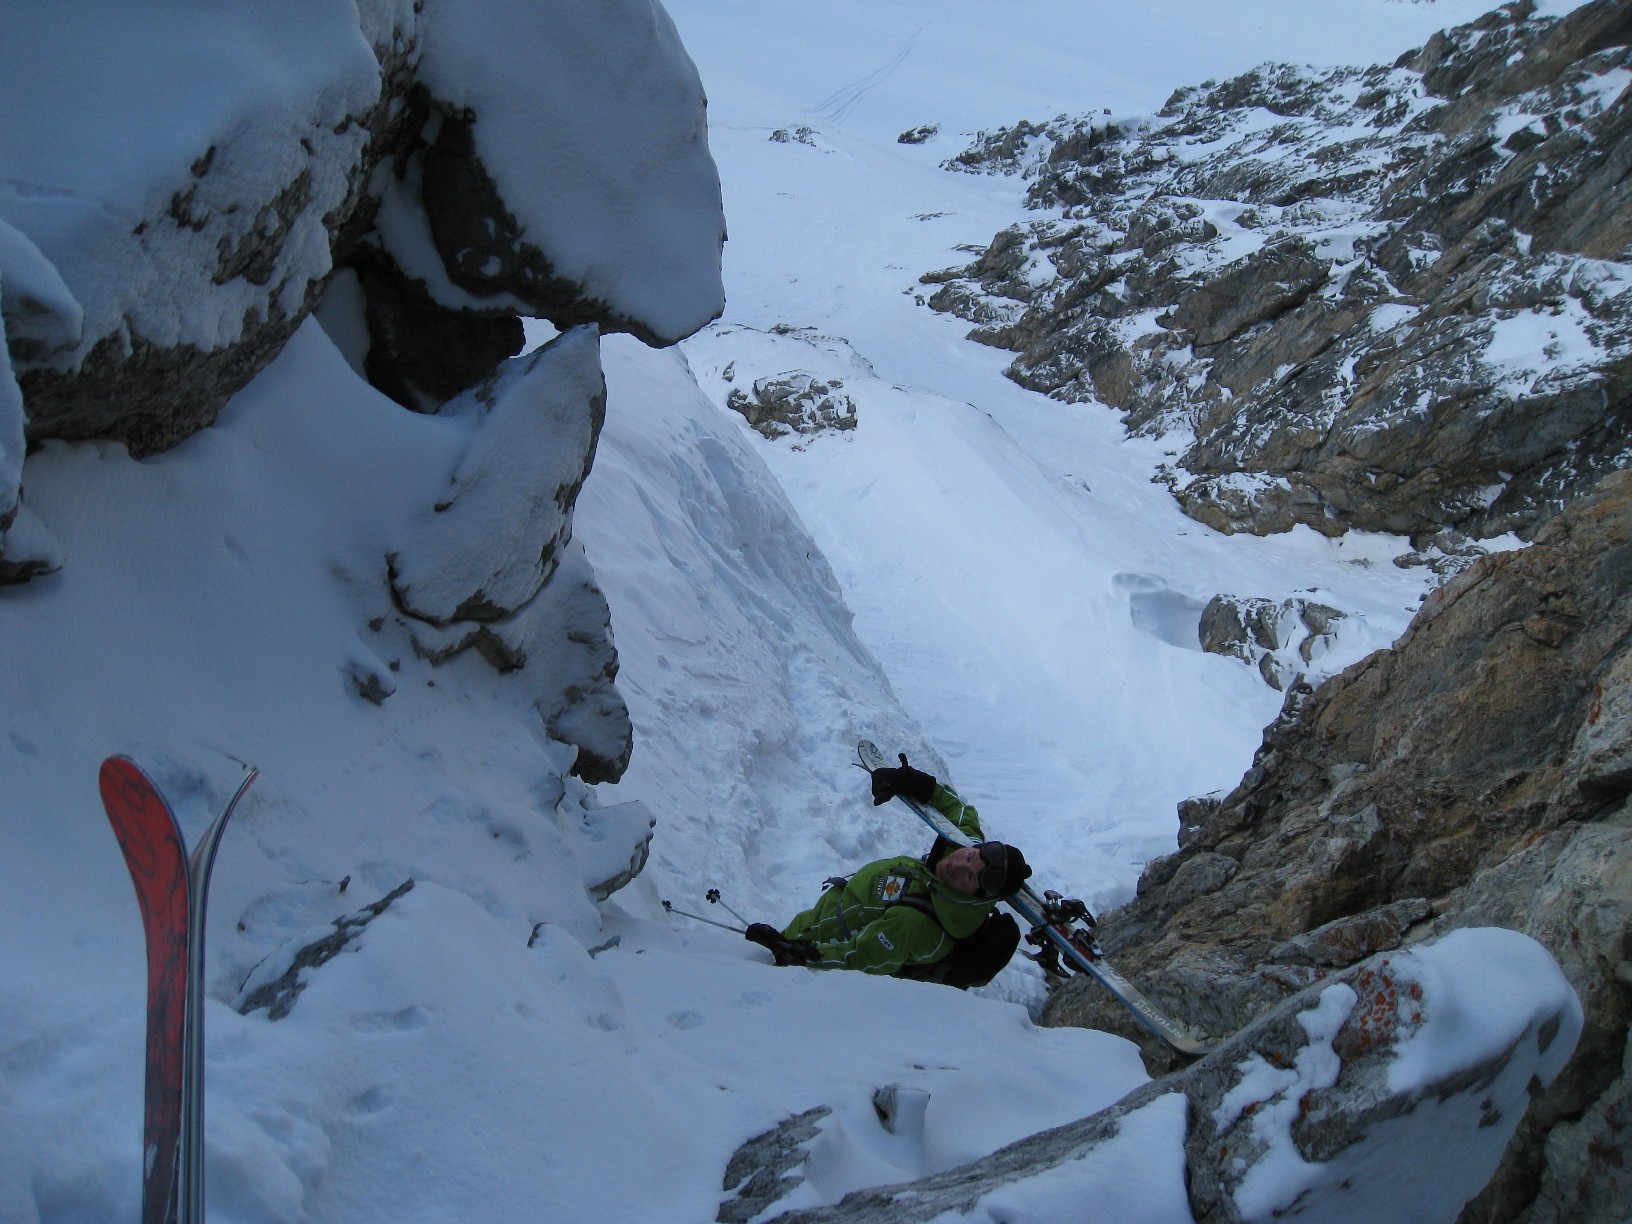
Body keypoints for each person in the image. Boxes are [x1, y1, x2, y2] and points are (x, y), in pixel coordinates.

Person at [744, 755, 1031, 989]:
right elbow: (959, 812)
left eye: (969, 876)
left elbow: (862, 958)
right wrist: (913, 782)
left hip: (814, 951)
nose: (958, 865)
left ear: (976, 896)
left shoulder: (915, 924)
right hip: (815, 922)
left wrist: (800, 954)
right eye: (969, 856)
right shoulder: (961, 850)